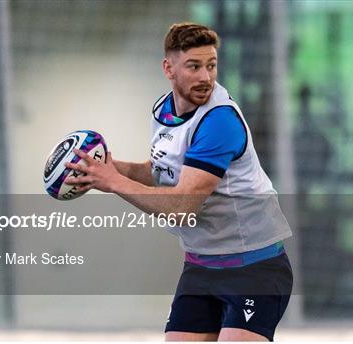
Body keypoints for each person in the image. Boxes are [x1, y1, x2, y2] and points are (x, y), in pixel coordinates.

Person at [65, 22, 293, 342]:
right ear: (168, 68)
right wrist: (111, 169)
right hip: (201, 267)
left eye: (211, 65)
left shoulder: (219, 122)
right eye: (194, 66)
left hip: (254, 268)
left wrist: (114, 182)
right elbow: (164, 172)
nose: (205, 77)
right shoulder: (163, 110)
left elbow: (182, 205)